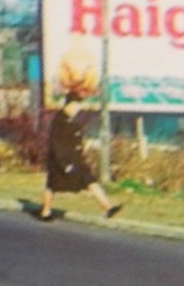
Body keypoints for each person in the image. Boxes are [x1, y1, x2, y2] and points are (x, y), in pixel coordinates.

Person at [37, 91, 123, 222]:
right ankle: (45, 211)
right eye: (76, 105)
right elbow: (56, 143)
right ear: (69, 105)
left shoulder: (71, 120)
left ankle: (108, 208)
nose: (78, 109)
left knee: (90, 180)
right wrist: (64, 164)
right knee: (52, 185)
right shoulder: (59, 120)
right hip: (61, 161)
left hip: (76, 160)